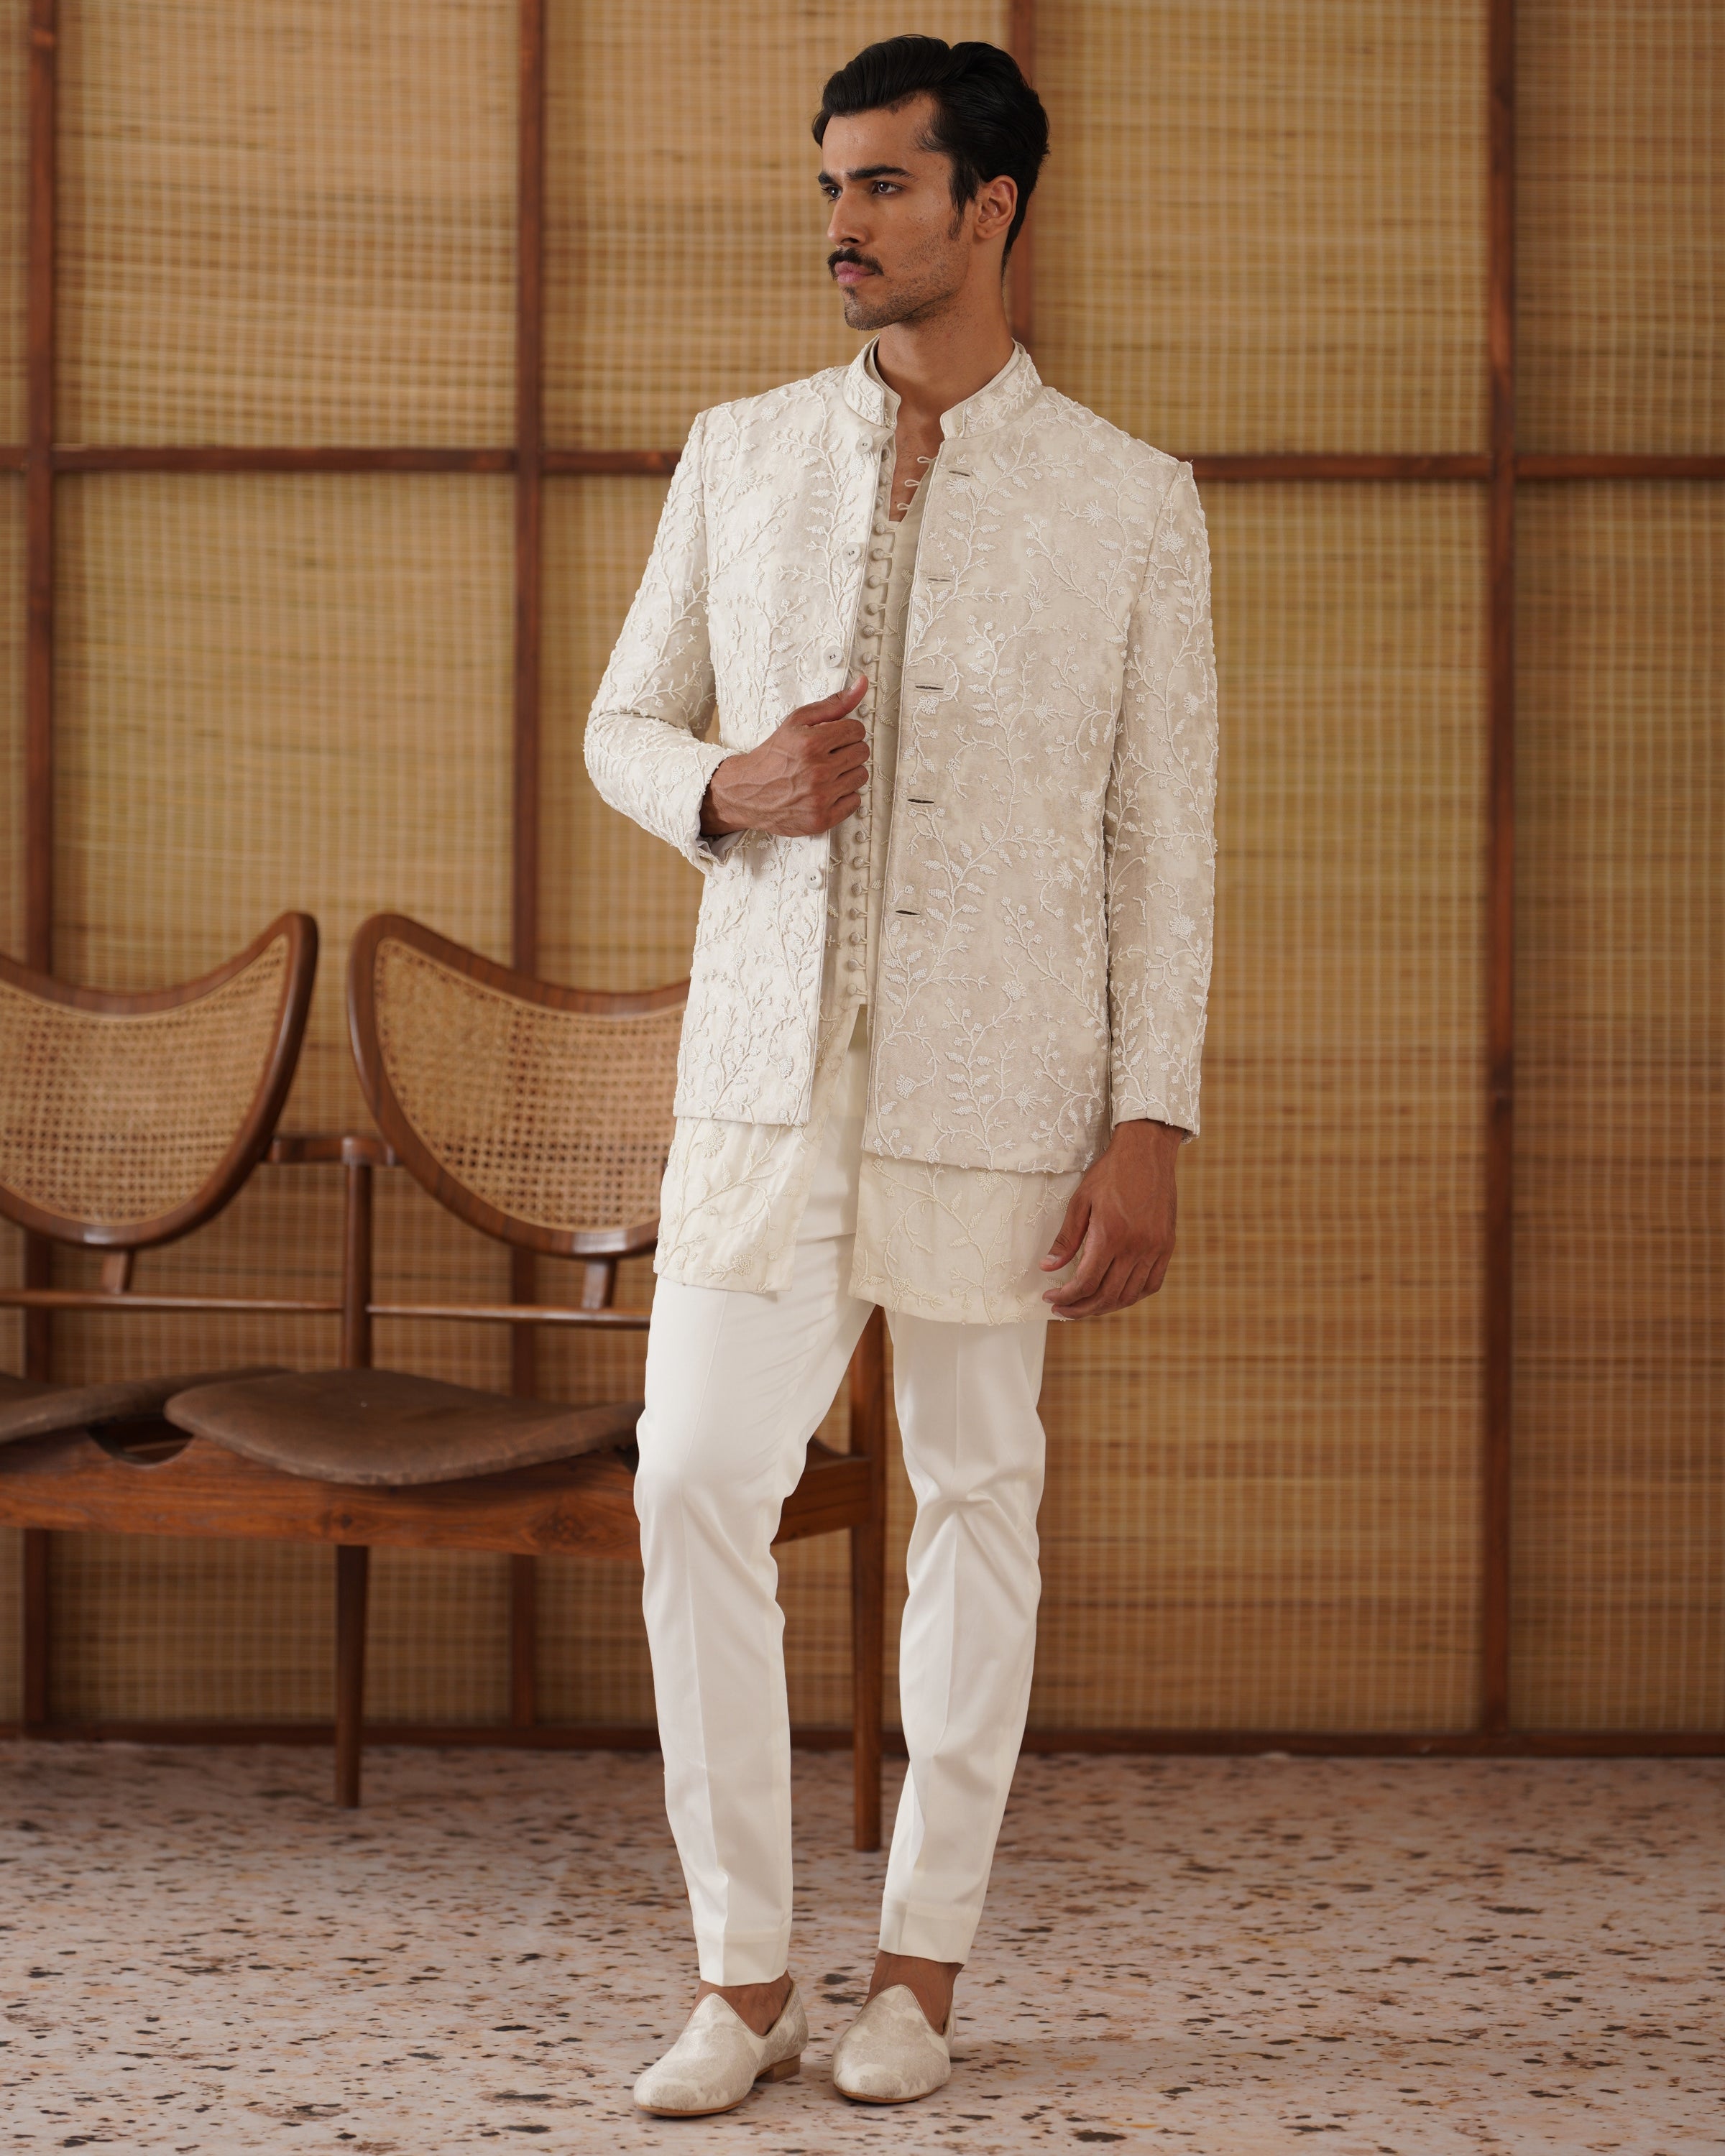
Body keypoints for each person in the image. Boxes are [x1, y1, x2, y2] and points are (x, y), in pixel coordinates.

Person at [585, 32, 1217, 2117]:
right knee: (694, 1475)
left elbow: (1163, 842)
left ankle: (920, 1972)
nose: (841, 224)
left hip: (1004, 1087)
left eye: (881, 185)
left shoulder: (1129, 503)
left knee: (976, 1493)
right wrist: (726, 786)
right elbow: (620, 724)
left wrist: (1151, 1116)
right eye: (830, 185)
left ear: (989, 207)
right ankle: (743, 1974)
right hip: (768, 1087)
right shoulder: (742, 452)